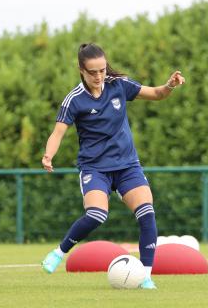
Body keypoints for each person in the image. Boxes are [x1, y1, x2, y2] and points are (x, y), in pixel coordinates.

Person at [41, 43, 185, 289]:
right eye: (92, 72)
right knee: (97, 214)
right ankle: (59, 252)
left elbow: (157, 94)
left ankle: (146, 276)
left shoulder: (119, 84)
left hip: (128, 166)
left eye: (102, 70)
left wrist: (170, 85)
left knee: (147, 213)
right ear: (81, 70)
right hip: (95, 169)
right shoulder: (74, 100)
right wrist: (48, 155)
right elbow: (58, 133)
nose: (99, 76)